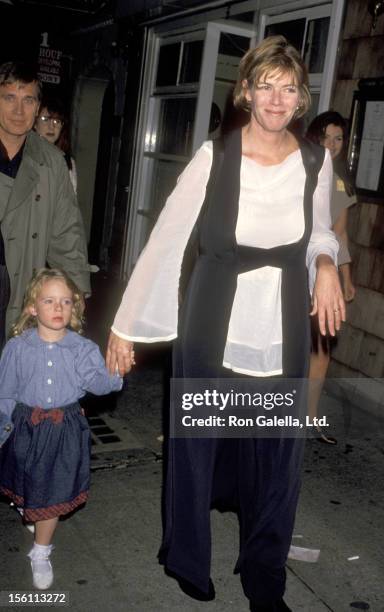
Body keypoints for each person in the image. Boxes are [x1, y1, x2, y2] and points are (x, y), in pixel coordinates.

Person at [106, 36, 345, 612]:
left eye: (288, 88)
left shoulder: (316, 159)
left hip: (282, 317)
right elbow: (167, 238)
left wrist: (327, 262)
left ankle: (265, 576)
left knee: (278, 450)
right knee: (199, 439)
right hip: (216, 311)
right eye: (266, 85)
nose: (276, 98)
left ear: (300, 99)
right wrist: (125, 326)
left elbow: (319, 230)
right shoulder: (217, 155)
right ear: (247, 91)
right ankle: (188, 557)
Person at [0, 268, 123, 590]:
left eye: (66, 302)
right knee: (27, 484)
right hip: (26, 427)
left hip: (64, 429)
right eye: (50, 301)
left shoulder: (82, 349)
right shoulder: (17, 348)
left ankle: (40, 552)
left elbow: (99, 385)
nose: (58, 308)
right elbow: (6, 392)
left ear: (75, 308)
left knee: (51, 490)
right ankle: (33, 509)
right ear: (32, 308)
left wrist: (115, 370)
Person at [0, 61, 90, 349]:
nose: (18, 110)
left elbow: (67, 235)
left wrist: (75, 294)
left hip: (22, 285)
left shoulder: (51, 162)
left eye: (28, 100)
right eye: (9, 98)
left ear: (38, 106)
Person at [306, 111, 357, 444]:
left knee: (322, 348)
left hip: (326, 273)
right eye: (326, 137)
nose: (332, 145)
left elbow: (341, 235)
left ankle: (308, 419)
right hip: (298, 265)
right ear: (314, 137)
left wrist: (346, 278)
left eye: (338, 138)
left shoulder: (340, 183)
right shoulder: (302, 171)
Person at [34, 96, 78, 194]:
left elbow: (71, 199)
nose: (51, 126)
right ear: (35, 123)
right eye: (45, 119)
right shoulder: (23, 154)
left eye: (57, 121)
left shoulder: (67, 162)